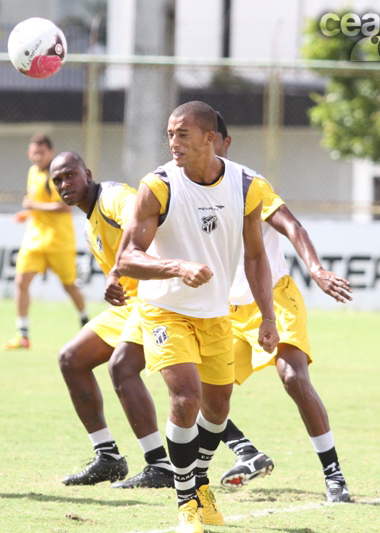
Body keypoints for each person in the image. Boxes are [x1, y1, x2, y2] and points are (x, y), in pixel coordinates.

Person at [117, 101, 280, 533]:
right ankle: (187, 498)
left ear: (211, 138)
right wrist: (177, 267)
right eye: (169, 134)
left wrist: (268, 317)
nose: (173, 142)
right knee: (186, 397)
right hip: (164, 310)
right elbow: (126, 259)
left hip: (216, 313)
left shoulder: (246, 185)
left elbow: (256, 255)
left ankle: (199, 481)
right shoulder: (158, 186)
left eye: (182, 134)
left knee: (218, 407)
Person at [213, 111, 353, 503]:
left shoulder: (248, 183)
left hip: (274, 295)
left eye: (210, 140)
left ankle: (334, 476)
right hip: (226, 309)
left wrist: (317, 269)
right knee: (200, 391)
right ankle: (247, 452)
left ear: (224, 143)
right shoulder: (186, 188)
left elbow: (292, 226)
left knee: (293, 377)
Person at [50, 151, 174, 489]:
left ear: (87, 174)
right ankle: (107, 457)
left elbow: (146, 221)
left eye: (70, 175)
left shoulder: (114, 197)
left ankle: (160, 465)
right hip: (130, 306)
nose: (65, 184)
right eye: (57, 181)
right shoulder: (90, 224)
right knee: (71, 359)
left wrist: (118, 271)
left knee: (128, 369)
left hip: (157, 298)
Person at [2, 133, 88, 349]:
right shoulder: (32, 172)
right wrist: (28, 214)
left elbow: (65, 206)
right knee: (21, 282)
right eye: (34, 152)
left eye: (41, 152)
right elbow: (39, 204)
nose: (37, 156)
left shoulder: (57, 174)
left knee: (70, 287)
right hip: (35, 239)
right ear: (29, 153)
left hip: (59, 241)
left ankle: (86, 323)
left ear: (51, 152)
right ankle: (23, 334)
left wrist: (33, 207)